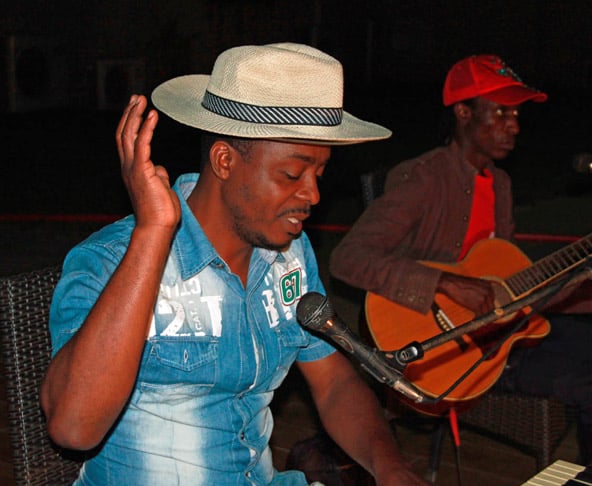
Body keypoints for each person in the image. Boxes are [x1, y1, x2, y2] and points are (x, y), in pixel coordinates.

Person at [39, 43, 428, 485]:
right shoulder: (111, 260)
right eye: (292, 174)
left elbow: (334, 381)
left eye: (319, 174)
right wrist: (153, 235)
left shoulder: (288, 255)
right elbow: (73, 429)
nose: (313, 196)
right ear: (224, 160)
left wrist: (391, 468)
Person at [329, 54, 592, 465]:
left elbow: (511, 284)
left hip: (503, 337)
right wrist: (446, 284)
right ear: (464, 113)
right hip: (446, 356)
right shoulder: (423, 178)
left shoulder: (500, 185)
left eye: (517, 113)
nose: (514, 125)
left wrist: (577, 290)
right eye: (501, 112)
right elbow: (348, 258)